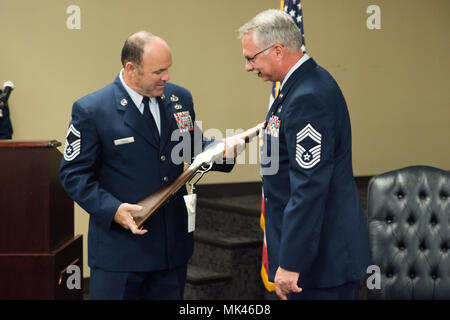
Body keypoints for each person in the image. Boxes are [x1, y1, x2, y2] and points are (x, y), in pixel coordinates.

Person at [59, 31, 243, 300]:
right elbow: (73, 174)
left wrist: (222, 149)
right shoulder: (93, 110)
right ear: (131, 68)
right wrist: (113, 209)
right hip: (120, 253)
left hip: (171, 251)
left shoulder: (179, 98)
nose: (166, 78)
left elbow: (190, 147)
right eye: (158, 71)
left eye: (168, 69)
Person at [238, 10, 371, 300]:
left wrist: (291, 262)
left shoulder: (308, 96)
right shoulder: (297, 88)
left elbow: (309, 186)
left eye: (251, 58)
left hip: (319, 261)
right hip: (311, 256)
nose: (248, 67)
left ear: (277, 51)